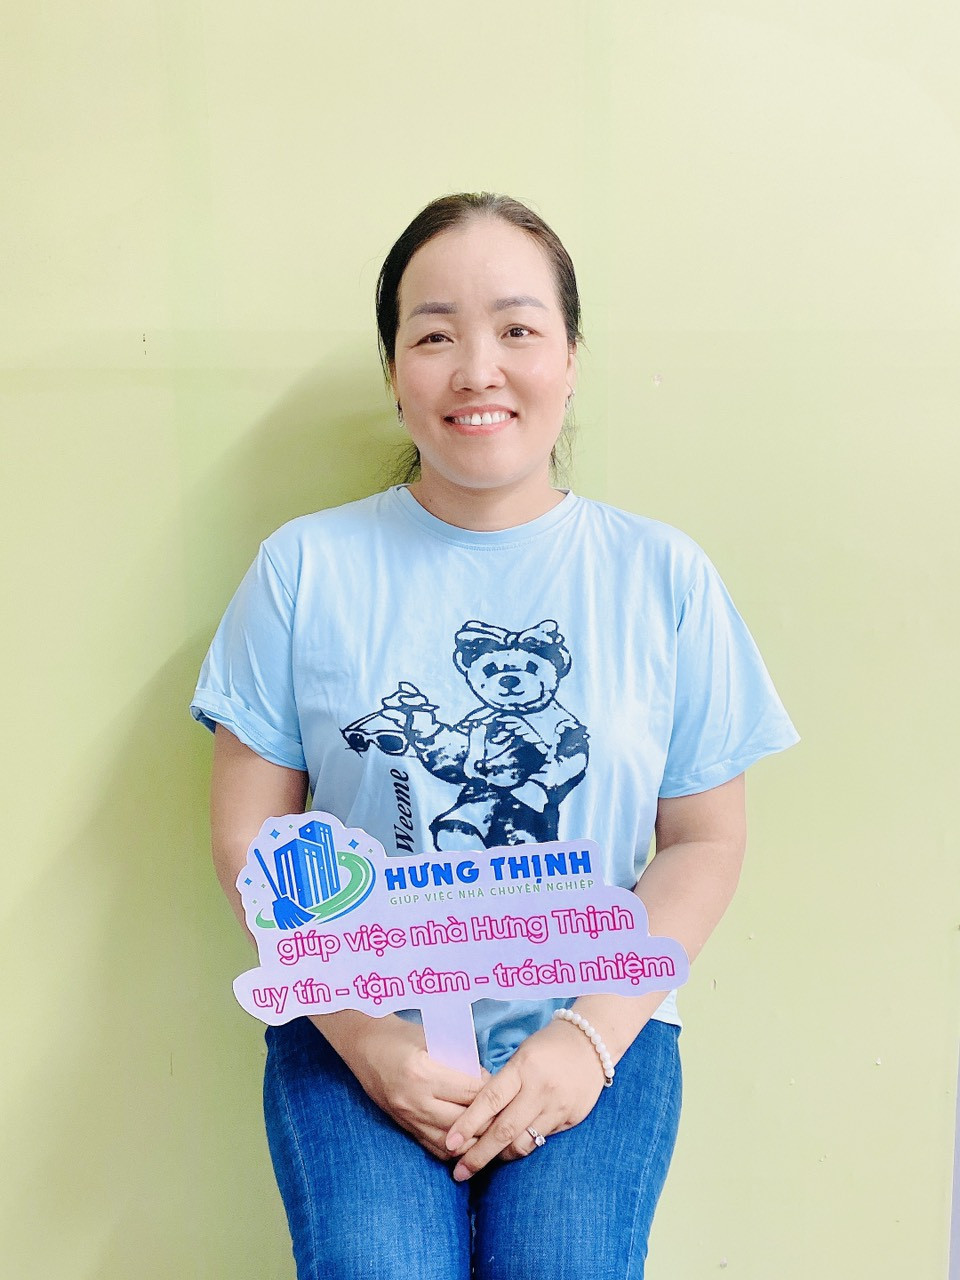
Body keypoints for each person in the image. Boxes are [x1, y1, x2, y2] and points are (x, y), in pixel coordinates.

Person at [191, 192, 798, 1279]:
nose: (478, 369)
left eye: (517, 328)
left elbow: (705, 840)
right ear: (394, 372)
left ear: (570, 358)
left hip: (599, 1020)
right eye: (434, 335)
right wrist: (368, 1037)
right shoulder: (304, 569)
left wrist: (588, 1039)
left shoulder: (661, 576)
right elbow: (252, 839)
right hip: (356, 1021)